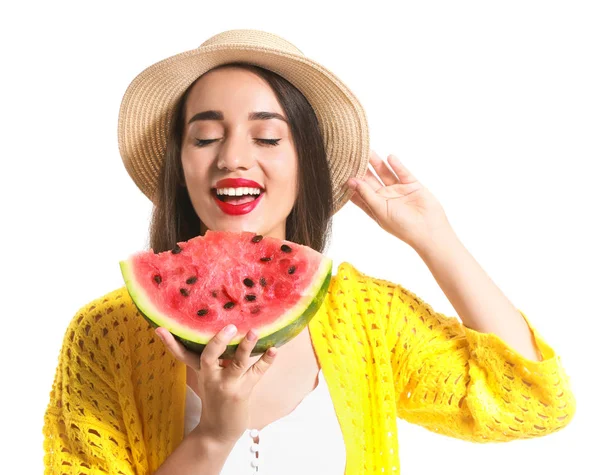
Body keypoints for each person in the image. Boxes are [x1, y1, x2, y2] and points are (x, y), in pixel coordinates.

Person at [42, 29, 576, 475]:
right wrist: (212, 438)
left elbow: (532, 404)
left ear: (305, 161)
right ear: (180, 165)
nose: (232, 157)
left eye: (267, 139)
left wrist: (436, 239)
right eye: (205, 138)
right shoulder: (107, 334)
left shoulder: (369, 317)